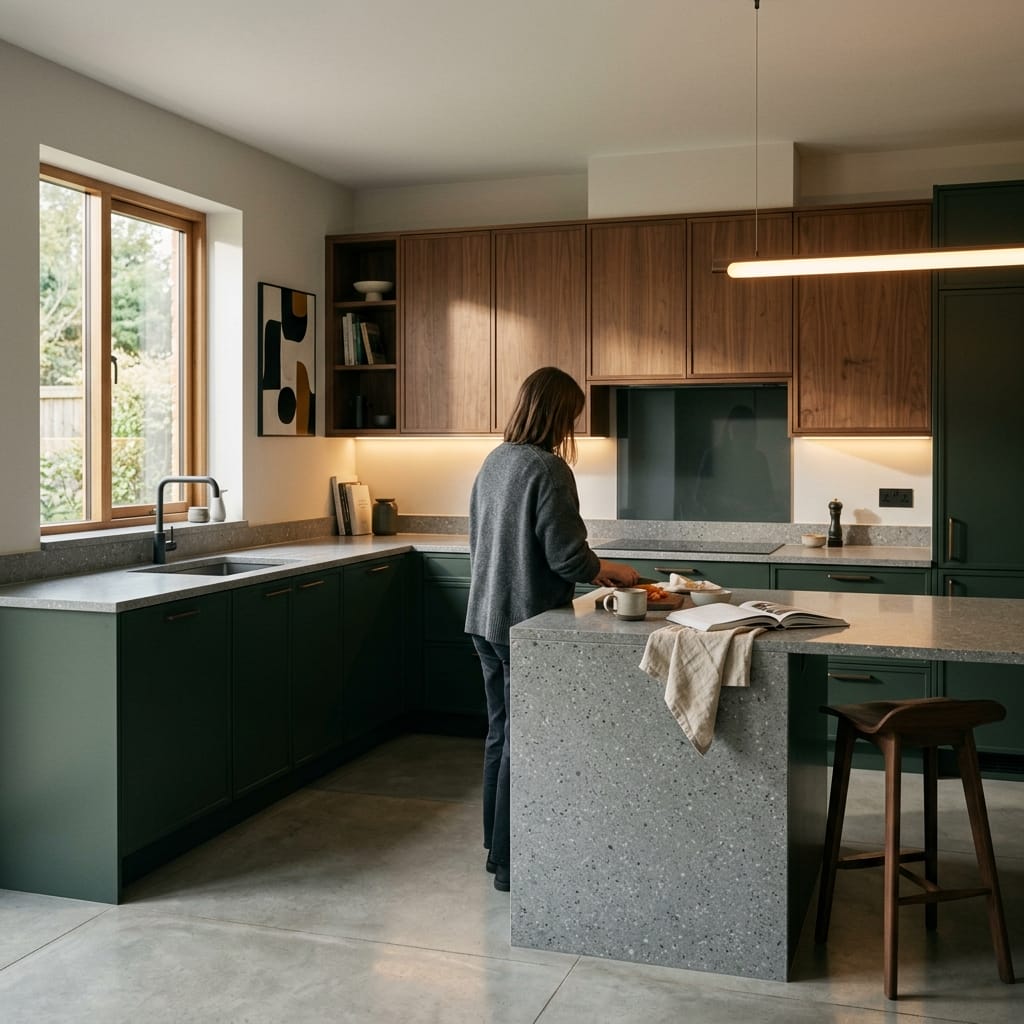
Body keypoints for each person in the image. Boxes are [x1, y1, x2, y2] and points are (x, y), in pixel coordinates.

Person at [465, 366, 639, 893]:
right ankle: (512, 866)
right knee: (525, 738)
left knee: (501, 732)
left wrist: (590, 568)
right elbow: (565, 555)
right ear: (559, 415)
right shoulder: (549, 468)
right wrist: (603, 570)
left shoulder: (494, 462)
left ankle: (497, 848)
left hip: (484, 617)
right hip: (527, 622)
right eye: (572, 417)